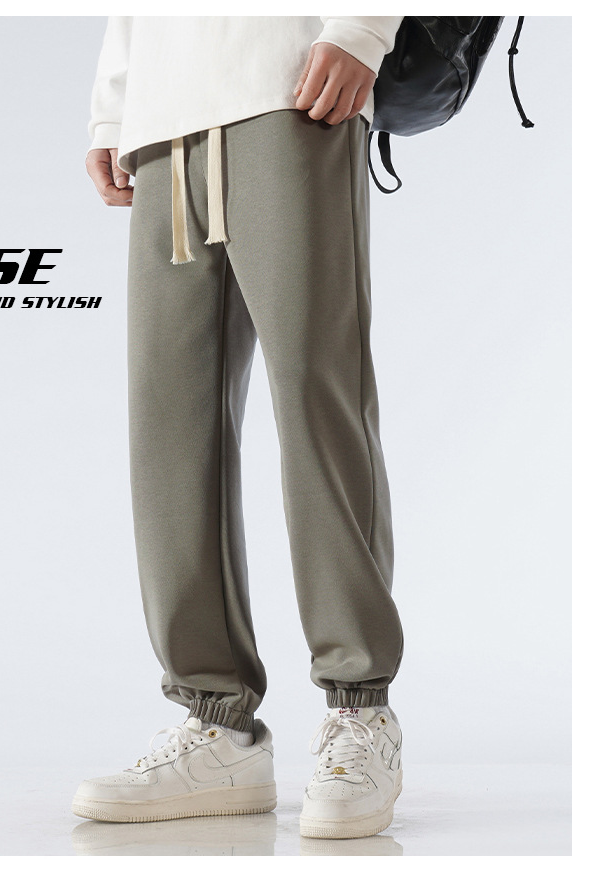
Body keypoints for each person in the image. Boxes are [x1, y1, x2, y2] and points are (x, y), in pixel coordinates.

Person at [73, 15, 405, 840]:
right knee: (170, 425)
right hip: (163, 117)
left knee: (316, 398)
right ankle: (218, 727)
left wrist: (363, 27)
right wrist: (114, 109)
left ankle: (361, 710)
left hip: (292, 83)